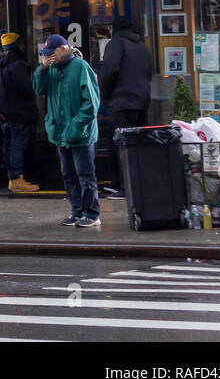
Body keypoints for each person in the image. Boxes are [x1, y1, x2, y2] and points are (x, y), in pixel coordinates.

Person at [33, 34, 102, 228]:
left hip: (80, 134)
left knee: (85, 175)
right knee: (69, 175)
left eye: (51, 53)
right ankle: (77, 211)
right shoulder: (51, 69)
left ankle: (92, 213)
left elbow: (91, 102)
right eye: (46, 55)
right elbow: (38, 90)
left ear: (63, 48)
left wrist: (76, 125)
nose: (49, 57)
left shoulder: (81, 67)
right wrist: (43, 69)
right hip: (61, 133)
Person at [97, 18, 151, 197]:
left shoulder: (117, 43)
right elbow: (148, 73)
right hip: (141, 103)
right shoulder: (143, 47)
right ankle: (134, 184)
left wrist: (104, 96)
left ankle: (123, 187)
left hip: (121, 103)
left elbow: (109, 71)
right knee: (136, 145)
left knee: (121, 145)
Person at [0, 33, 39, 194]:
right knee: (17, 145)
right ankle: (17, 179)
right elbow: (27, 89)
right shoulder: (17, 65)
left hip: (4, 114)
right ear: (17, 46)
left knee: (8, 145)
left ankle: (12, 179)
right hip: (19, 113)